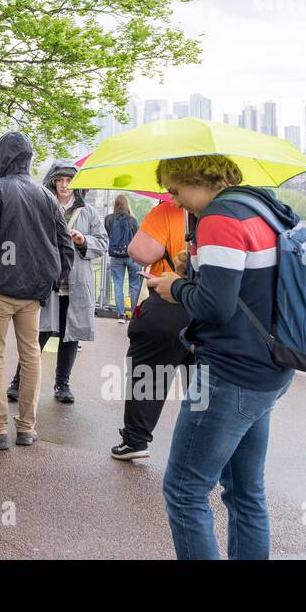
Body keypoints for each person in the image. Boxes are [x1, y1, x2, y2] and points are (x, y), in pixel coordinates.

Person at [145, 155, 297, 560]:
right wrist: (194, 269)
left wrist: (175, 287)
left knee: (184, 490)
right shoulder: (262, 210)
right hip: (269, 367)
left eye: (175, 191)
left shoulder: (218, 219)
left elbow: (214, 306)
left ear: (196, 178)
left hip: (229, 372)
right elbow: (248, 285)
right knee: (246, 492)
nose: (175, 202)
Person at [0, 132, 74, 450]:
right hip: (33, 292)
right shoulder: (45, 195)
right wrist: (53, 278)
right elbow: (64, 243)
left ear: (1, 157)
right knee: (31, 356)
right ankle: (26, 427)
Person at [8, 163, 107, 405]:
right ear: (52, 181)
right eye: (60, 179)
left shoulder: (89, 213)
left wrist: (83, 240)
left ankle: (62, 384)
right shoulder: (40, 206)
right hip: (46, 281)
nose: (64, 184)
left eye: (69, 180)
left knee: (70, 335)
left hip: (75, 284)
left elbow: (103, 243)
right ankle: (18, 381)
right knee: (37, 334)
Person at [111, 197, 193, 461]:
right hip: (211, 306)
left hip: (170, 300)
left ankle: (135, 440)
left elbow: (141, 252)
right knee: (201, 386)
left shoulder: (169, 209)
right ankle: (198, 449)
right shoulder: (228, 213)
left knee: (149, 371)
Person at [105, 195, 141, 319]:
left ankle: (120, 315)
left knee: (118, 284)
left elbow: (108, 234)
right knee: (134, 286)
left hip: (115, 256)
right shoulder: (132, 220)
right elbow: (138, 238)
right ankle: (133, 316)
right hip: (132, 256)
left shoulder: (108, 219)